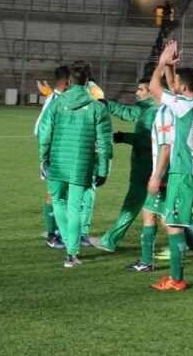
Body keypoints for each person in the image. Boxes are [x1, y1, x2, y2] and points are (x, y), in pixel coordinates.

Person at [147, 41, 193, 291]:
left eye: (177, 84)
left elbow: (154, 88)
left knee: (174, 227)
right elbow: (171, 90)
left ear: (184, 87)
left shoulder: (185, 106)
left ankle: (176, 280)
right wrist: (170, 67)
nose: (174, 87)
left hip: (184, 172)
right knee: (179, 220)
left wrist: (160, 63)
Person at [37, 61, 113, 268]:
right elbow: (105, 143)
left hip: (58, 163)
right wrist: (104, 169)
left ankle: (70, 248)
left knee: (59, 202)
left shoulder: (56, 103)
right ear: (87, 82)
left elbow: (44, 133)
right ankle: (72, 253)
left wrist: (43, 158)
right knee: (74, 207)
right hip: (81, 164)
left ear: (69, 81)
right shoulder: (97, 107)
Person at [90, 77, 157, 252]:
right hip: (149, 166)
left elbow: (148, 140)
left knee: (131, 205)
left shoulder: (153, 111)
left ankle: (111, 241)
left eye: (141, 89)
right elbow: (127, 113)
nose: (137, 92)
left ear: (151, 92)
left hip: (146, 167)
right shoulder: (147, 109)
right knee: (162, 210)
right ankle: (186, 243)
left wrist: (122, 137)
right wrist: (107, 104)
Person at [126, 100, 175, 272]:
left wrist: (156, 176)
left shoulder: (165, 113)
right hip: (171, 173)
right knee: (151, 213)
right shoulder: (179, 109)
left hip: (165, 175)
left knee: (170, 221)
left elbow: (166, 148)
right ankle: (146, 262)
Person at [35, 66, 69, 249]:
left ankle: (57, 231)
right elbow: (39, 128)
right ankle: (51, 235)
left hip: (62, 155)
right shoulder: (55, 100)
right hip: (54, 156)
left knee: (61, 193)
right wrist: (47, 155)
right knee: (54, 194)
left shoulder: (59, 99)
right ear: (66, 82)